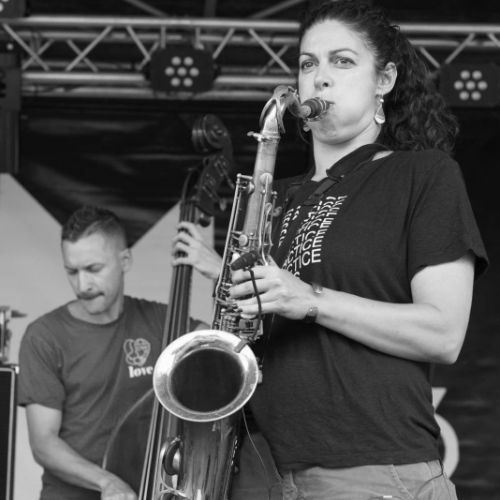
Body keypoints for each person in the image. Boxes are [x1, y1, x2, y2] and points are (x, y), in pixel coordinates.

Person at [174, 1, 489, 499]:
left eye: (342, 61)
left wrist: (310, 299)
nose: (319, 77)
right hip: (260, 475)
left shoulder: (423, 175)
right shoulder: (273, 197)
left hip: (374, 472)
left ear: (384, 80)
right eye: (307, 64)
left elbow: (444, 334)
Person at [17, 205, 201, 500]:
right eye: (72, 271)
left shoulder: (162, 321)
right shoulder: (43, 336)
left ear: (124, 260)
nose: (82, 285)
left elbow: (226, 342)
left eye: (93, 269)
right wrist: (107, 482)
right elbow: (43, 443)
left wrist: (217, 270)